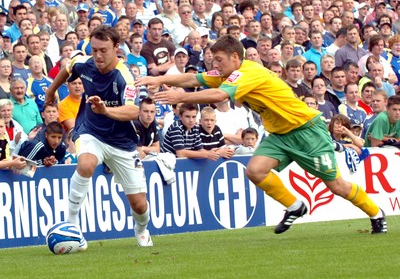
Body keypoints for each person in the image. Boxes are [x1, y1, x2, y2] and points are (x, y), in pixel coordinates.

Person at [137, 35, 387, 234]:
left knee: (336, 185)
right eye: (213, 60)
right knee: (254, 170)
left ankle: (376, 213)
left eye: (219, 60)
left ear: (235, 57)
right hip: (280, 135)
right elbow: (195, 76)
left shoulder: (246, 73)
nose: (215, 65)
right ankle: (295, 206)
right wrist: (159, 79)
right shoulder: (229, 72)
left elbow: (219, 96)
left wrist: (181, 96)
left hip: (306, 131)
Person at [45, 25, 154, 248]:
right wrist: (50, 91)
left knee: (140, 206)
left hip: (122, 143)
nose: (98, 55)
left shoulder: (125, 76)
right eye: (94, 50)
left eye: (103, 50)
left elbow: (133, 111)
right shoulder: (85, 63)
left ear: (116, 48)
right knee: (85, 164)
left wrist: (106, 111)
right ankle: (72, 226)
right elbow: (68, 68)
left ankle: (141, 229)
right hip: (91, 131)